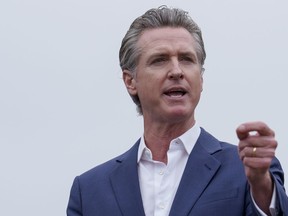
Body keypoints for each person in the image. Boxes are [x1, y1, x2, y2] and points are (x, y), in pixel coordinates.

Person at [67, 6, 288, 216]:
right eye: (160, 60)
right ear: (130, 81)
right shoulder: (88, 191)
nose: (176, 71)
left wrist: (261, 186)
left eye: (187, 59)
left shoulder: (249, 169)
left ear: (200, 78)